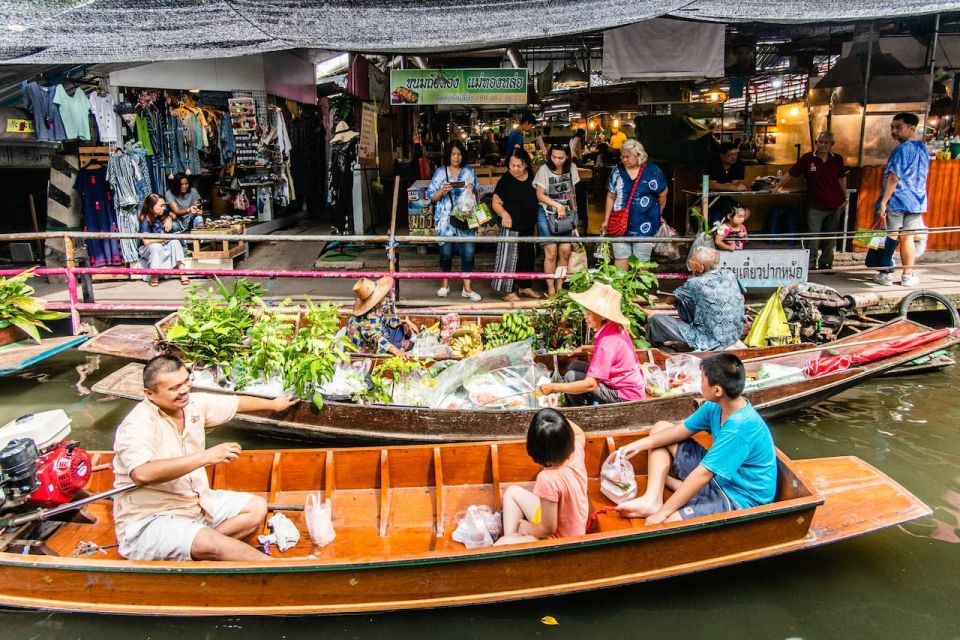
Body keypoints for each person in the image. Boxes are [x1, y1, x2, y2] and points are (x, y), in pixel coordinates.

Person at [112, 354, 299, 561]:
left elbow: (235, 403)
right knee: (212, 543)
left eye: (186, 381)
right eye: (174, 388)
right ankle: (274, 567)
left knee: (256, 508)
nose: (184, 390)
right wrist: (207, 456)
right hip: (151, 517)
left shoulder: (192, 404)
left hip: (194, 503)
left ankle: (196, 545)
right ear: (149, 394)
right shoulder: (137, 424)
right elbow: (142, 473)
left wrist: (274, 405)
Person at [614, 353, 776, 524]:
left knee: (671, 522)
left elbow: (704, 473)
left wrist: (662, 514)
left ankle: (678, 491)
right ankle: (652, 499)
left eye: (702, 379)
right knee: (661, 428)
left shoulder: (740, 426)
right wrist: (638, 445)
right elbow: (680, 431)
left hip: (739, 496)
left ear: (717, 390)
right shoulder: (715, 406)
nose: (699, 384)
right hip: (718, 476)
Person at [539, 282, 645, 405]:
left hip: (624, 394)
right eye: (586, 312)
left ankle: (580, 411)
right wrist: (584, 348)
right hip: (625, 382)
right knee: (575, 366)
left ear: (602, 316)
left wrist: (554, 387)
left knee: (570, 377)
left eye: (589, 313)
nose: (585, 316)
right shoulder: (614, 326)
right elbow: (612, 352)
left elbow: (591, 384)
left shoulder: (606, 342)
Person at [494, 409, 588, 545]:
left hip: (561, 540)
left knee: (500, 544)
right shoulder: (577, 451)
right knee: (512, 492)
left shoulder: (547, 479)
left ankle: (513, 540)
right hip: (573, 526)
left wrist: (529, 529)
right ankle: (514, 538)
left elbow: (548, 529)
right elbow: (579, 432)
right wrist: (554, 418)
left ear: (535, 448)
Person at [646, 246, 745, 351]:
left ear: (701, 267)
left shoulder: (695, 283)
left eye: (692, 260)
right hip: (734, 334)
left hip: (711, 339)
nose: (689, 261)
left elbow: (669, 301)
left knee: (656, 319)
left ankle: (657, 347)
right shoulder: (729, 274)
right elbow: (742, 297)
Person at [774, 131, 848, 270]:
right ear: (816, 143)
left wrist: (845, 197)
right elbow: (791, 173)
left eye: (826, 142)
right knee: (813, 236)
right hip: (815, 205)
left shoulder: (837, 159)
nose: (822, 145)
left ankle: (826, 263)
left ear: (832, 144)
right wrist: (777, 186)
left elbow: (842, 179)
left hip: (835, 204)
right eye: (819, 142)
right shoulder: (807, 159)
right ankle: (811, 263)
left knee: (830, 237)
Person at [874, 113, 929, 287]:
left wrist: (883, 202)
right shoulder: (923, 148)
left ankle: (886, 273)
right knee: (908, 238)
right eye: (892, 127)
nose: (894, 131)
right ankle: (907, 274)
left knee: (890, 235)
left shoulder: (901, 150)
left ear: (912, 128)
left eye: (899, 127)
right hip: (917, 201)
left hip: (897, 199)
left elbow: (893, 178)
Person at [428, 139, 482, 301]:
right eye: (453, 154)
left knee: (469, 252)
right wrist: (442, 190)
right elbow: (432, 197)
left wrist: (472, 190)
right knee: (445, 253)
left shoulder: (469, 171)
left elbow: (477, 194)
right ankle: (445, 285)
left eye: (459, 154)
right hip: (445, 220)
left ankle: (467, 288)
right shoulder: (440, 172)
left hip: (465, 217)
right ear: (448, 155)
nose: (456, 157)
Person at [602, 138, 668, 269]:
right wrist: (606, 220)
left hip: (645, 224)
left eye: (627, 156)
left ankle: (639, 290)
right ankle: (620, 289)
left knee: (641, 264)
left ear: (639, 155)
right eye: (622, 157)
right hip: (619, 224)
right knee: (621, 261)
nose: (624, 160)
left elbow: (662, 194)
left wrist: (658, 213)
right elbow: (610, 196)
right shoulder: (617, 171)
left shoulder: (652, 171)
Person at [491, 148, 541, 301]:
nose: (515, 169)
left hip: (527, 225)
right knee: (509, 258)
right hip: (510, 225)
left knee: (527, 257)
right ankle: (508, 291)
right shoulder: (505, 180)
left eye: (519, 166)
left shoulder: (532, 177)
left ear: (525, 164)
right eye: (512, 165)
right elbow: (496, 202)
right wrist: (504, 214)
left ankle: (525, 287)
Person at [534, 144, 580, 297]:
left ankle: (560, 284)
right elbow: (540, 195)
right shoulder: (543, 170)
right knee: (551, 253)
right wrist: (557, 205)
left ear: (567, 157)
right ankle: (551, 288)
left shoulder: (572, 168)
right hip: (546, 213)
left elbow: (572, 194)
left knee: (565, 251)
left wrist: (575, 222)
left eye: (560, 158)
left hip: (567, 215)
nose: (557, 161)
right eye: (554, 157)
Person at [346, 276, 418, 355]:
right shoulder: (367, 324)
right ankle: (402, 344)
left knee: (399, 327)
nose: (384, 294)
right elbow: (378, 339)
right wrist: (397, 352)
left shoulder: (373, 310)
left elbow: (385, 319)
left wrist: (405, 321)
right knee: (400, 345)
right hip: (367, 349)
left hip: (379, 332)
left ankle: (402, 340)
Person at [138, 193, 189, 287]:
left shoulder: (161, 213)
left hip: (163, 243)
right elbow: (146, 242)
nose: (163, 208)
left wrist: (169, 219)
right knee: (155, 247)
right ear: (151, 206)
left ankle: (183, 272)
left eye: (164, 206)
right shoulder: (145, 220)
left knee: (175, 242)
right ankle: (154, 276)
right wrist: (163, 239)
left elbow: (173, 215)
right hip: (150, 248)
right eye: (161, 206)